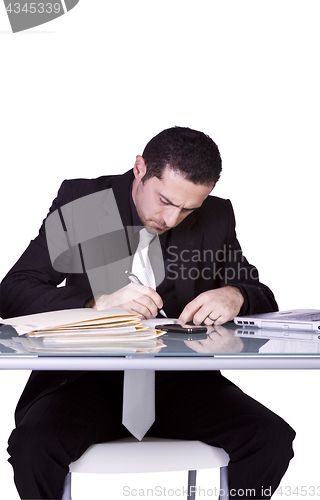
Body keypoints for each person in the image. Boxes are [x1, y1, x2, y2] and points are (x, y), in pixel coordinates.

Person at [0, 127, 295, 500]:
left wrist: (235, 295)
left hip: (181, 382)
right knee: (32, 448)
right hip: (82, 380)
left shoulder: (217, 216)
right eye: (165, 201)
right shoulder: (85, 204)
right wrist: (96, 304)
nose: (172, 218)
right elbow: (12, 291)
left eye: (189, 208)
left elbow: (262, 296)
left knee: (270, 438)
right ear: (139, 168)